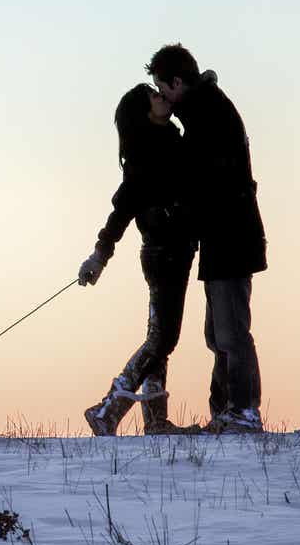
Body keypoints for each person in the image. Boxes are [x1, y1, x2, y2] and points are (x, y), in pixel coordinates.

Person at [146, 44, 267, 434]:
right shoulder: (204, 110)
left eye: (163, 88)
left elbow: (206, 181)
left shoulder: (208, 113)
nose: (162, 95)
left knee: (231, 331)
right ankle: (225, 411)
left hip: (231, 237)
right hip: (222, 238)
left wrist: (178, 217)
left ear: (177, 82)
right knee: (218, 333)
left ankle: (243, 410)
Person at [78, 84, 198, 436]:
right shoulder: (144, 154)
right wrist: (100, 255)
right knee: (162, 339)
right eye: (155, 97)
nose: (163, 98)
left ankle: (156, 421)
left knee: (161, 338)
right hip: (163, 252)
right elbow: (121, 211)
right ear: (143, 113)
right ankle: (108, 410)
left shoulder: (171, 140)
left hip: (176, 250)